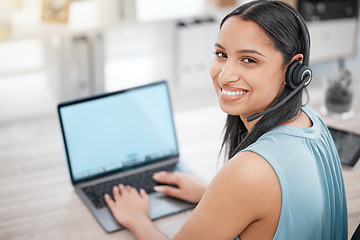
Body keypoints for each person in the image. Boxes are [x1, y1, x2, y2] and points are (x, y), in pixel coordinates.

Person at [104, 1, 348, 239]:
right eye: (221, 54)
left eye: (249, 60)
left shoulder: (249, 172)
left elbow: (255, 184)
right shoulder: (310, 120)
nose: (225, 75)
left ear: (293, 69)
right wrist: (212, 195)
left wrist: (136, 218)